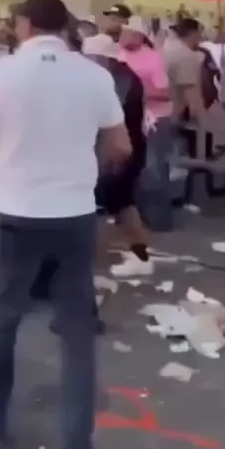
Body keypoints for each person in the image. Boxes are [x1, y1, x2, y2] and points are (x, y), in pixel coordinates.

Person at [0, 0, 131, 449]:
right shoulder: (95, 75)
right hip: (74, 215)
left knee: (2, 321)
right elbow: (120, 145)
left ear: (25, 24)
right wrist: (82, 169)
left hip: (13, 214)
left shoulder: (1, 74)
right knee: (76, 336)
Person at [82, 33, 152, 277]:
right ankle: (141, 256)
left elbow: (108, 117)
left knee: (98, 206)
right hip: (122, 149)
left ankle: (88, 268)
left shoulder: (120, 80)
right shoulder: (117, 76)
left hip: (119, 152)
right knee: (122, 204)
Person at [119, 16, 174, 232]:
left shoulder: (153, 58)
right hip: (131, 118)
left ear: (139, 35)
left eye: (127, 31)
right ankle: (137, 215)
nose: (122, 35)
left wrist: (137, 91)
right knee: (134, 167)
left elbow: (163, 92)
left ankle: (160, 220)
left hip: (154, 119)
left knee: (154, 168)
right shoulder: (120, 55)